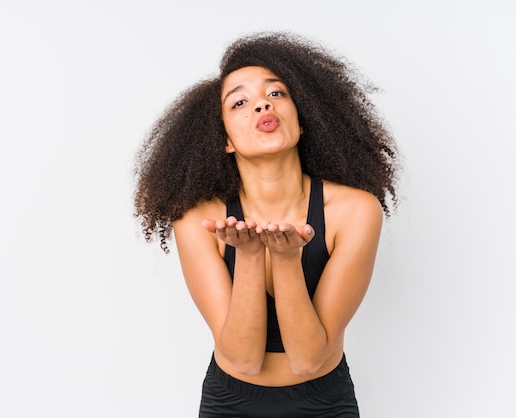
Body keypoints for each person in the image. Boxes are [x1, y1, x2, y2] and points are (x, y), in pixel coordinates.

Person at [133, 31, 399, 417]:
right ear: (224, 139)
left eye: (276, 94)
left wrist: (288, 259)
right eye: (240, 101)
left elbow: (308, 359)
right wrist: (249, 253)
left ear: (303, 119)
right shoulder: (196, 217)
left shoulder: (355, 210)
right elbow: (243, 360)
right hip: (231, 401)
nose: (261, 105)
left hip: (324, 402)